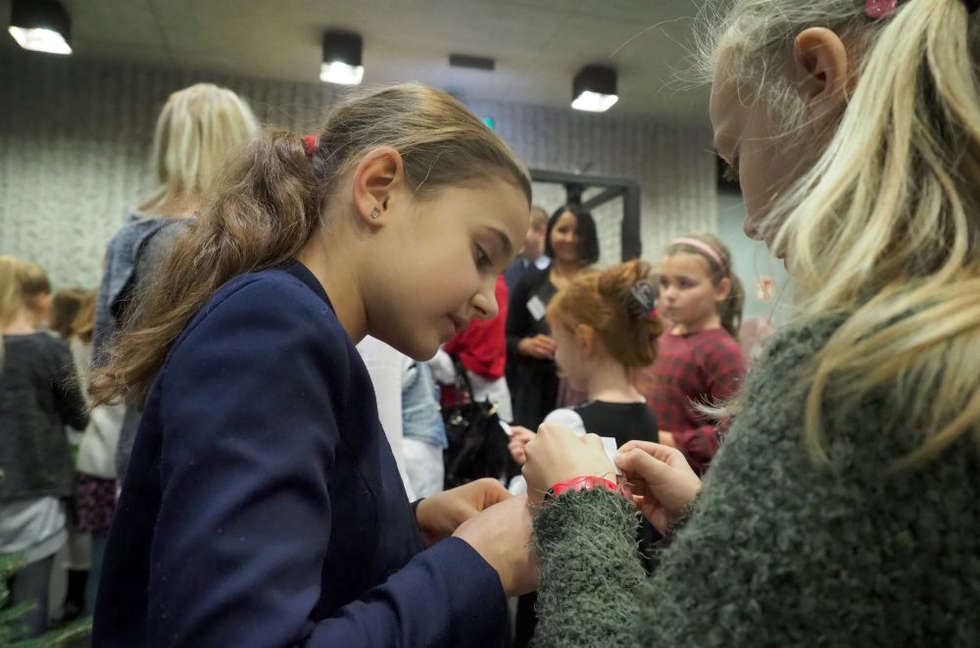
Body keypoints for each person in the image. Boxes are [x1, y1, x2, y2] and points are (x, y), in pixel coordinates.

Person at [522, 0, 980, 645]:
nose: (751, 222)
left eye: (735, 159)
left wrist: (578, 506)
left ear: (821, 74)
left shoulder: (859, 367)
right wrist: (716, 523)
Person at [90, 83, 537, 647]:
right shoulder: (271, 328)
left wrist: (409, 527)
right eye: (480, 255)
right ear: (379, 190)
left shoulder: (304, 329)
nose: (489, 302)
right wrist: (480, 563)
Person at [93, 82, 259, 481]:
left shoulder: (132, 236)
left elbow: (104, 366)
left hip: (150, 446)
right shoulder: (258, 239)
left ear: (170, 141)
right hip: (229, 449)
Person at [507, 260, 662, 648]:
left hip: (570, 580)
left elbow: (534, 504)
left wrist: (526, 469)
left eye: (558, 342)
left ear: (585, 341)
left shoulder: (567, 420)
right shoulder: (646, 414)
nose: (556, 355)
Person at [0, 257, 88, 638]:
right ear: (35, 299)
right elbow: (79, 416)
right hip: (35, 502)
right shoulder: (51, 352)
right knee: (28, 620)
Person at [644, 233, 746, 474]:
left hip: (687, 480)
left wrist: (670, 441)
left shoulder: (723, 351)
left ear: (721, 289)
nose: (669, 294)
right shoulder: (664, 338)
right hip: (649, 469)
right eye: (665, 283)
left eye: (684, 284)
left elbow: (734, 430)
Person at [506, 204, 599, 430]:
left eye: (578, 232)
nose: (570, 239)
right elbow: (508, 336)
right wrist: (525, 345)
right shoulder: (530, 282)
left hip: (588, 388)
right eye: (563, 230)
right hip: (536, 389)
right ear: (549, 234)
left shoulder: (598, 284)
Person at [430, 273, 513, 423]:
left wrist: (427, 356)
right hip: (469, 407)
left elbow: (478, 366)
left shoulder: (490, 289)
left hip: (480, 412)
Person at [503, 205, 550, 290]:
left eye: (522, 230)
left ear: (542, 232)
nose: (514, 237)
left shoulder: (555, 272)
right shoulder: (510, 270)